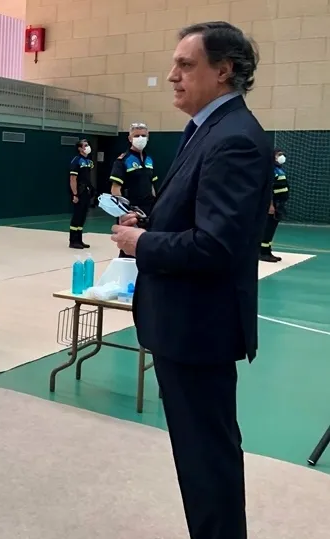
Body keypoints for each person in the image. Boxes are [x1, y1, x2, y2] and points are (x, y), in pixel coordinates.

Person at [111, 22, 271, 539]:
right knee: (200, 460)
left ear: (223, 71)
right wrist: (153, 225)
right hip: (182, 325)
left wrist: (143, 245)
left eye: (185, 65)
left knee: (208, 463)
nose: (172, 75)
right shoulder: (206, 131)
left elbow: (216, 247)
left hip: (198, 330)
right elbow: (197, 220)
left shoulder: (235, 141)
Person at [109, 122, 158, 258]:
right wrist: (124, 211)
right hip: (132, 212)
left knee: (147, 246)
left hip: (148, 211)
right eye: (137, 135)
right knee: (129, 249)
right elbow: (115, 188)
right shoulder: (123, 160)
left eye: (143, 135)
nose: (140, 138)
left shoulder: (149, 159)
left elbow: (152, 185)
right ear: (130, 138)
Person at [260, 149, 290, 263]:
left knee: (271, 229)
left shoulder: (279, 170)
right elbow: (269, 189)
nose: (282, 157)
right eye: (279, 155)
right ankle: (262, 252)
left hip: (279, 204)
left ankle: (268, 251)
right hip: (273, 205)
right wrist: (270, 205)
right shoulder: (271, 170)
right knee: (267, 229)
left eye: (283, 154)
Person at [68, 138, 94, 249]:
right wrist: (75, 194)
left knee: (83, 216)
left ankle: (79, 239)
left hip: (86, 191)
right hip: (79, 191)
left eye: (88, 145)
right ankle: (73, 241)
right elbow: (73, 179)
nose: (87, 147)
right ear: (80, 148)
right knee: (77, 216)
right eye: (85, 145)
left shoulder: (88, 161)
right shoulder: (76, 160)